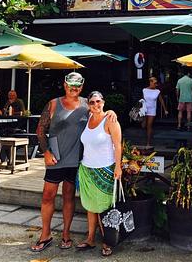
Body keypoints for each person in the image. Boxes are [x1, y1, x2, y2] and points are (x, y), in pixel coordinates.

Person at [31, 73, 116, 253]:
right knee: (48, 196)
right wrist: (45, 151)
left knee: (69, 197)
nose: (73, 88)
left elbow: (102, 114)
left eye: (77, 86)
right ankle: (45, 235)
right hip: (55, 157)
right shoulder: (54, 104)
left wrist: (111, 111)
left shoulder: (88, 104)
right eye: (70, 85)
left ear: (82, 87)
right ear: (64, 85)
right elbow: (40, 129)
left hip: (76, 159)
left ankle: (66, 234)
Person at [77, 91, 122, 257]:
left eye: (98, 102)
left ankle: (107, 241)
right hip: (87, 169)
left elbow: (118, 146)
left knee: (104, 207)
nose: (96, 105)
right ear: (88, 105)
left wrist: (118, 167)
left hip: (105, 169)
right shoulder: (88, 118)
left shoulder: (110, 119)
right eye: (92, 102)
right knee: (90, 206)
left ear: (103, 102)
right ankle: (90, 238)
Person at [142, 77, 168, 146]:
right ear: (150, 82)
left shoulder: (157, 91)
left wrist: (165, 110)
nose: (156, 85)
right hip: (145, 109)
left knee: (149, 125)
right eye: (154, 83)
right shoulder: (144, 90)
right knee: (143, 125)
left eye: (156, 83)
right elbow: (142, 100)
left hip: (152, 110)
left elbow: (161, 100)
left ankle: (148, 142)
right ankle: (146, 136)